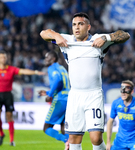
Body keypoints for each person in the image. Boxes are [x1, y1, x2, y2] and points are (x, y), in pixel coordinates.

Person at [40, 12, 130, 150]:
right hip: (75, 96)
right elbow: (43, 33)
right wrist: (56, 35)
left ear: (88, 27)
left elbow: (125, 35)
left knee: (95, 138)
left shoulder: (97, 40)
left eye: (80, 24)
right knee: (74, 139)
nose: (76, 27)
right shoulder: (66, 40)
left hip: (93, 95)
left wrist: (107, 38)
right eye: (74, 25)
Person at [0, 51, 45, 146]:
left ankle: (11, 140)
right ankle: (1, 134)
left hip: (8, 95)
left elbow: (23, 71)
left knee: (9, 117)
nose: (3, 59)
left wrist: (36, 72)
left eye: (5, 57)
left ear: (6, 59)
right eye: (1, 57)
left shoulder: (11, 69)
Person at [38, 51, 70, 150]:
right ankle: (70, 145)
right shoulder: (62, 68)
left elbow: (57, 80)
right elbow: (63, 83)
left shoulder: (52, 68)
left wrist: (50, 94)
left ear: (53, 59)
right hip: (68, 99)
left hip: (60, 100)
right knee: (63, 125)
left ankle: (66, 140)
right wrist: (47, 92)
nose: (45, 60)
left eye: (47, 58)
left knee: (46, 127)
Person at [106, 80, 135, 150]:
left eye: (126, 91)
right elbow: (110, 121)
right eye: (122, 91)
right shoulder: (116, 103)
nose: (123, 93)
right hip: (120, 141)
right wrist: (108, 142)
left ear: (132, 91)